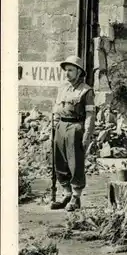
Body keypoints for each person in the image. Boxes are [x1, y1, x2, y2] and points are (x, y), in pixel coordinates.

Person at [50, 56, 96, 211]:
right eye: (66, 70)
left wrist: (87, 134)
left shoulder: (86, 91)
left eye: (70, 70)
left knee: (75, 162)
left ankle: (76, 198)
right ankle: (66, 193)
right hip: (61, 126)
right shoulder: (62, 88)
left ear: (79, 72)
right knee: (60, 160)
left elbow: (90, 115)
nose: (67, 73)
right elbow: (57, 109)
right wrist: (55, 126)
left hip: (76, 127)